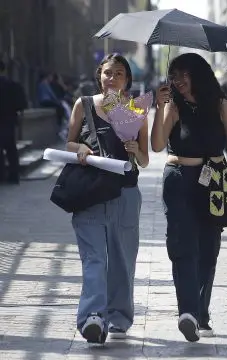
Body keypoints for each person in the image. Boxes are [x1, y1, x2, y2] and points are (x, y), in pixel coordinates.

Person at [151, 53, 227, 342]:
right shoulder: (172, 105)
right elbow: (158, 144)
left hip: (216, 181)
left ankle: (201, 314)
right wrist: (159, 110)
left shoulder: (221, 103)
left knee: (209, 249)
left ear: (199, 74)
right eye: (174, 76)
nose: (179, 82)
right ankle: (187, 312)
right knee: (182, 244)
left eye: (185, 75)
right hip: (179, 179)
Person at [66, 53, 149, 345]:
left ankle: (118, 316)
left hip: (125, 193)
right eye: (107, 73)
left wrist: (134, 148)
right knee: (94, 259)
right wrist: (81, 150)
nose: (111, 78)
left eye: (118, 74)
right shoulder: (84, 104)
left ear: (127, 79)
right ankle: (92, 318)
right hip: (89, 191)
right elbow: (70, 140)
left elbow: (146, 158)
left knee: (122, 260)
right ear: (99, 75)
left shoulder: (136, 109)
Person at [0, 60, 27, 184]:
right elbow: (21, 104)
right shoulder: (13, 85)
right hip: (9, 120)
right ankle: (13, 176)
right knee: (11, 148)